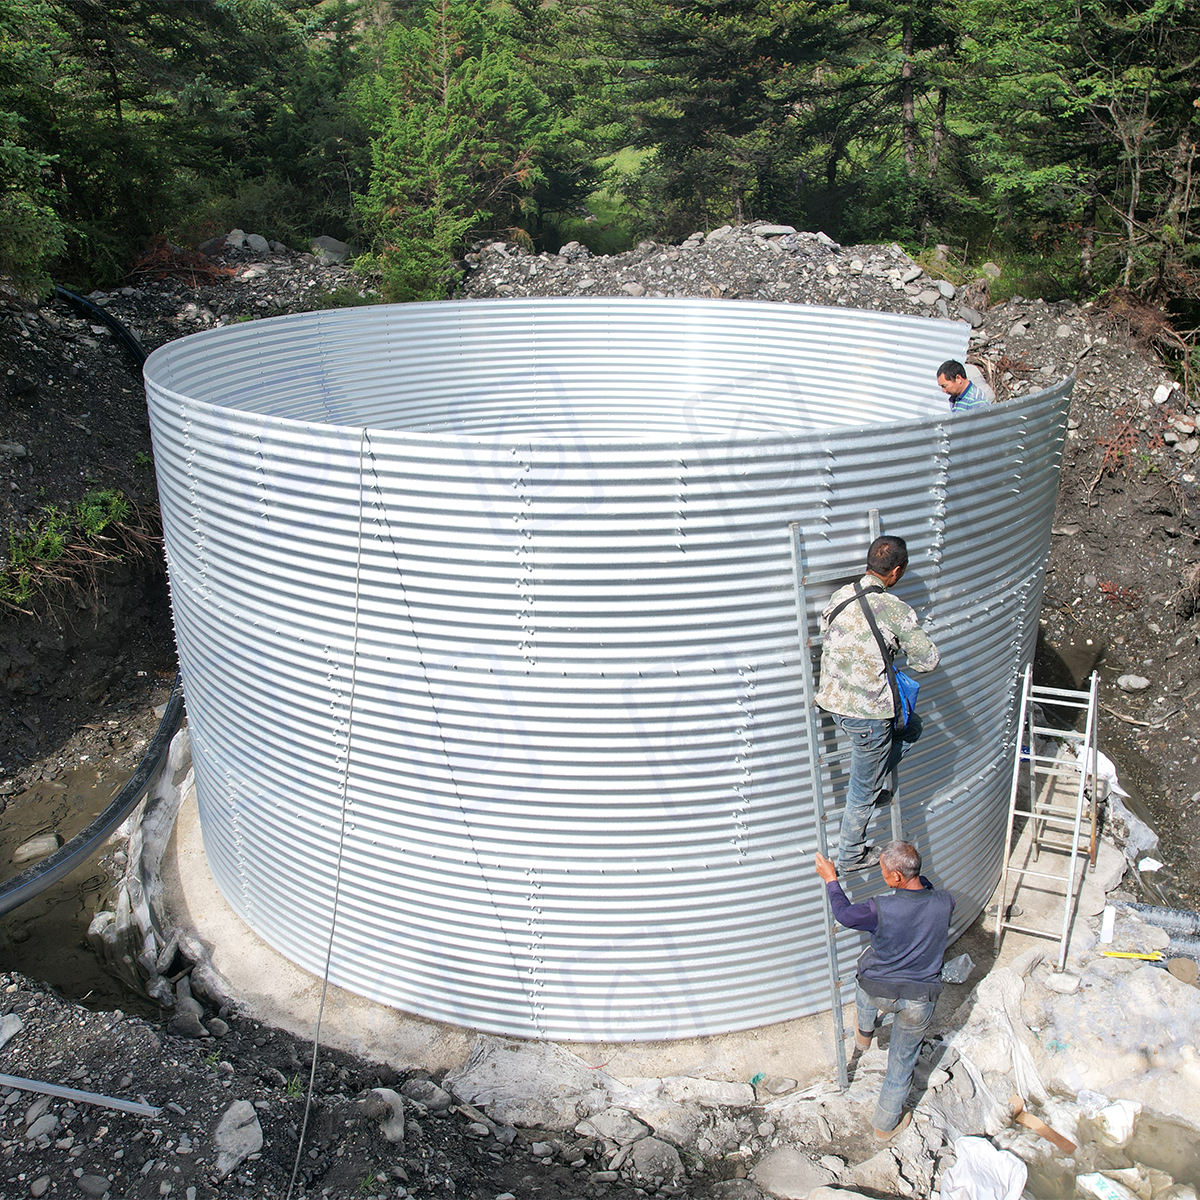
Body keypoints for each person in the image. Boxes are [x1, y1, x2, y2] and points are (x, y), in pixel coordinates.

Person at [814, 841, 955, 1143]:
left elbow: (845, 915)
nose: (882, 875)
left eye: (883, 872)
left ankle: (864, 1033)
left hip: (878, 990)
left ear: (897, 877)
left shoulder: (882, 908)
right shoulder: (946, 902)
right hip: (919, 999)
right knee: (901, 1062)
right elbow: (926, 889)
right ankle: (885, 1125)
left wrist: (831, 880)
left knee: (864, 970)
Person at [814, 535, 939, 868]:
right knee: (862, 789)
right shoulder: (895, 609)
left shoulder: (841, 596)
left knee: (912, 727)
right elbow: (928, 661)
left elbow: (828, 632)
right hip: (868, 716)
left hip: (833, 702)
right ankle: (851, 853)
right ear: (895, 572)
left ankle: (871, 782)